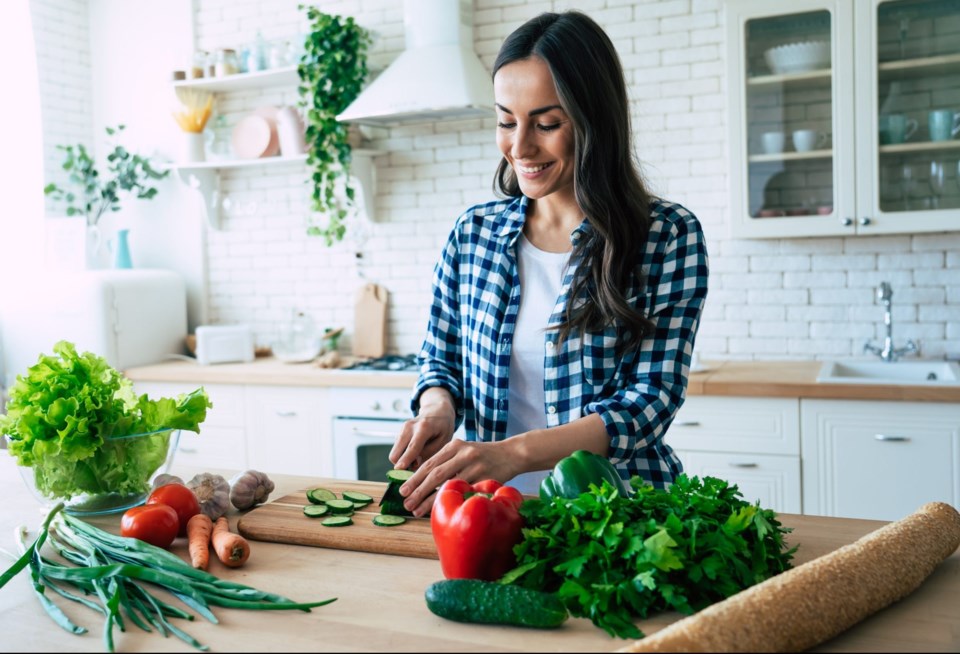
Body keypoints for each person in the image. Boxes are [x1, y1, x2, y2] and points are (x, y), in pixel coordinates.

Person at [388, 10, 709, 517]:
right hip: (490, 515)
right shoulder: (473, 234)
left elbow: (650, 401)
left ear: (592, 120)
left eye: (547, 123)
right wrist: (437, 407)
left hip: (620, 517)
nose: (520, 147)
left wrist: (512, 455)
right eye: (505, 121)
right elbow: (440, 359)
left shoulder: (665, 236)